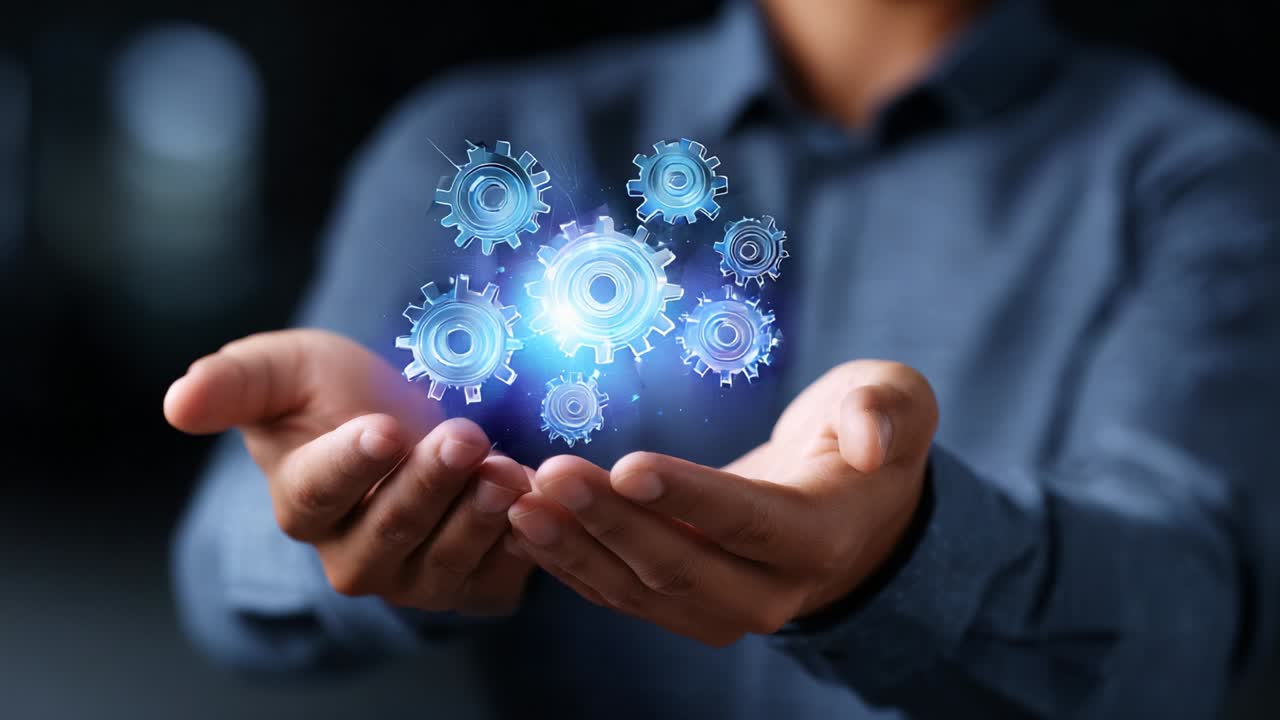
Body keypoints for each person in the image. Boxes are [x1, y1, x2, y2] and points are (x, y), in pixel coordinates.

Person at [163, 0, 1280, 716]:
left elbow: (1183, 628)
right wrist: (326, 510)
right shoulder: (481, 139)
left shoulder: (1197, 183)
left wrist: (907, 558)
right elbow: (228, 574)